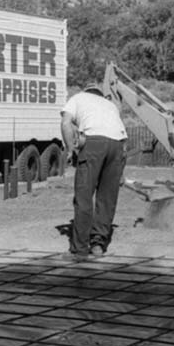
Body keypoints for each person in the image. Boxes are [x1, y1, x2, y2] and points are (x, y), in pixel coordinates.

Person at [60, 81, 127, 257]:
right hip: (116, 146)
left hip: (94, 144)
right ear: (99, 93)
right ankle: (98, 244)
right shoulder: (110, 105)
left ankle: (79, 250)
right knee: (107, 198)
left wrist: (69, 149)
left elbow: (66, 123)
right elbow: (123, 140)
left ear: (86, 91)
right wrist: (121, 172)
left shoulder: (78, 98)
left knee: (84, 196)